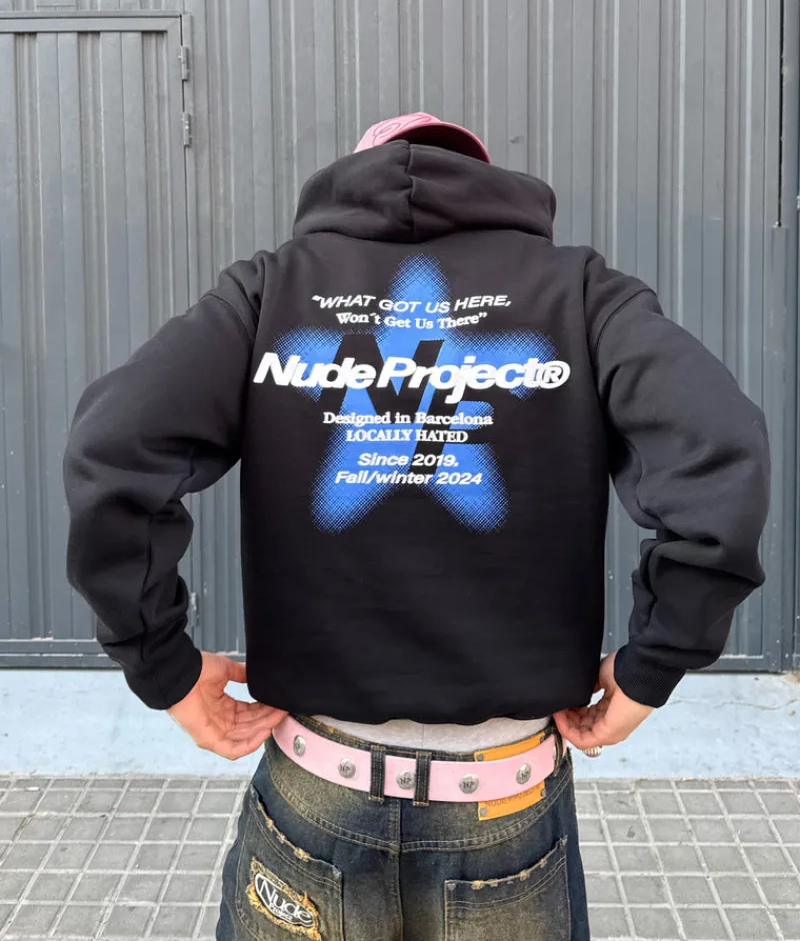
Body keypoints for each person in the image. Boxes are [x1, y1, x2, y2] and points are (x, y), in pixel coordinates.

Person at [63, 112, 770, 941]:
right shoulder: (576, 291)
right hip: (504, 795)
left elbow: (114, 446)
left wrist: (164, 666)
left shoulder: (271, 289)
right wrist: (655, 663)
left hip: (316, 784)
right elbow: (720, 448)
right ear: (485, 180)